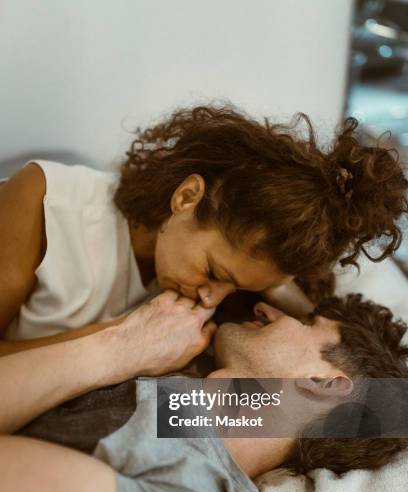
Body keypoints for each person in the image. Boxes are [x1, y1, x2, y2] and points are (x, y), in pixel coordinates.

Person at [1, 290, 407, 492]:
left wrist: (116, 348)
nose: (267, 308)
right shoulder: (156, 380)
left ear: (324, 383)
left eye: (304, 322)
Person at [1, 106, 407, 361]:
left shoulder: (219, 321)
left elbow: (380, 406)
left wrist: (284, 296)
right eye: (214, 271)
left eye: (235, 288)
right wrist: (124, 338)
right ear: (186, 196)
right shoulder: (45, 202)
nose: (209, 298)